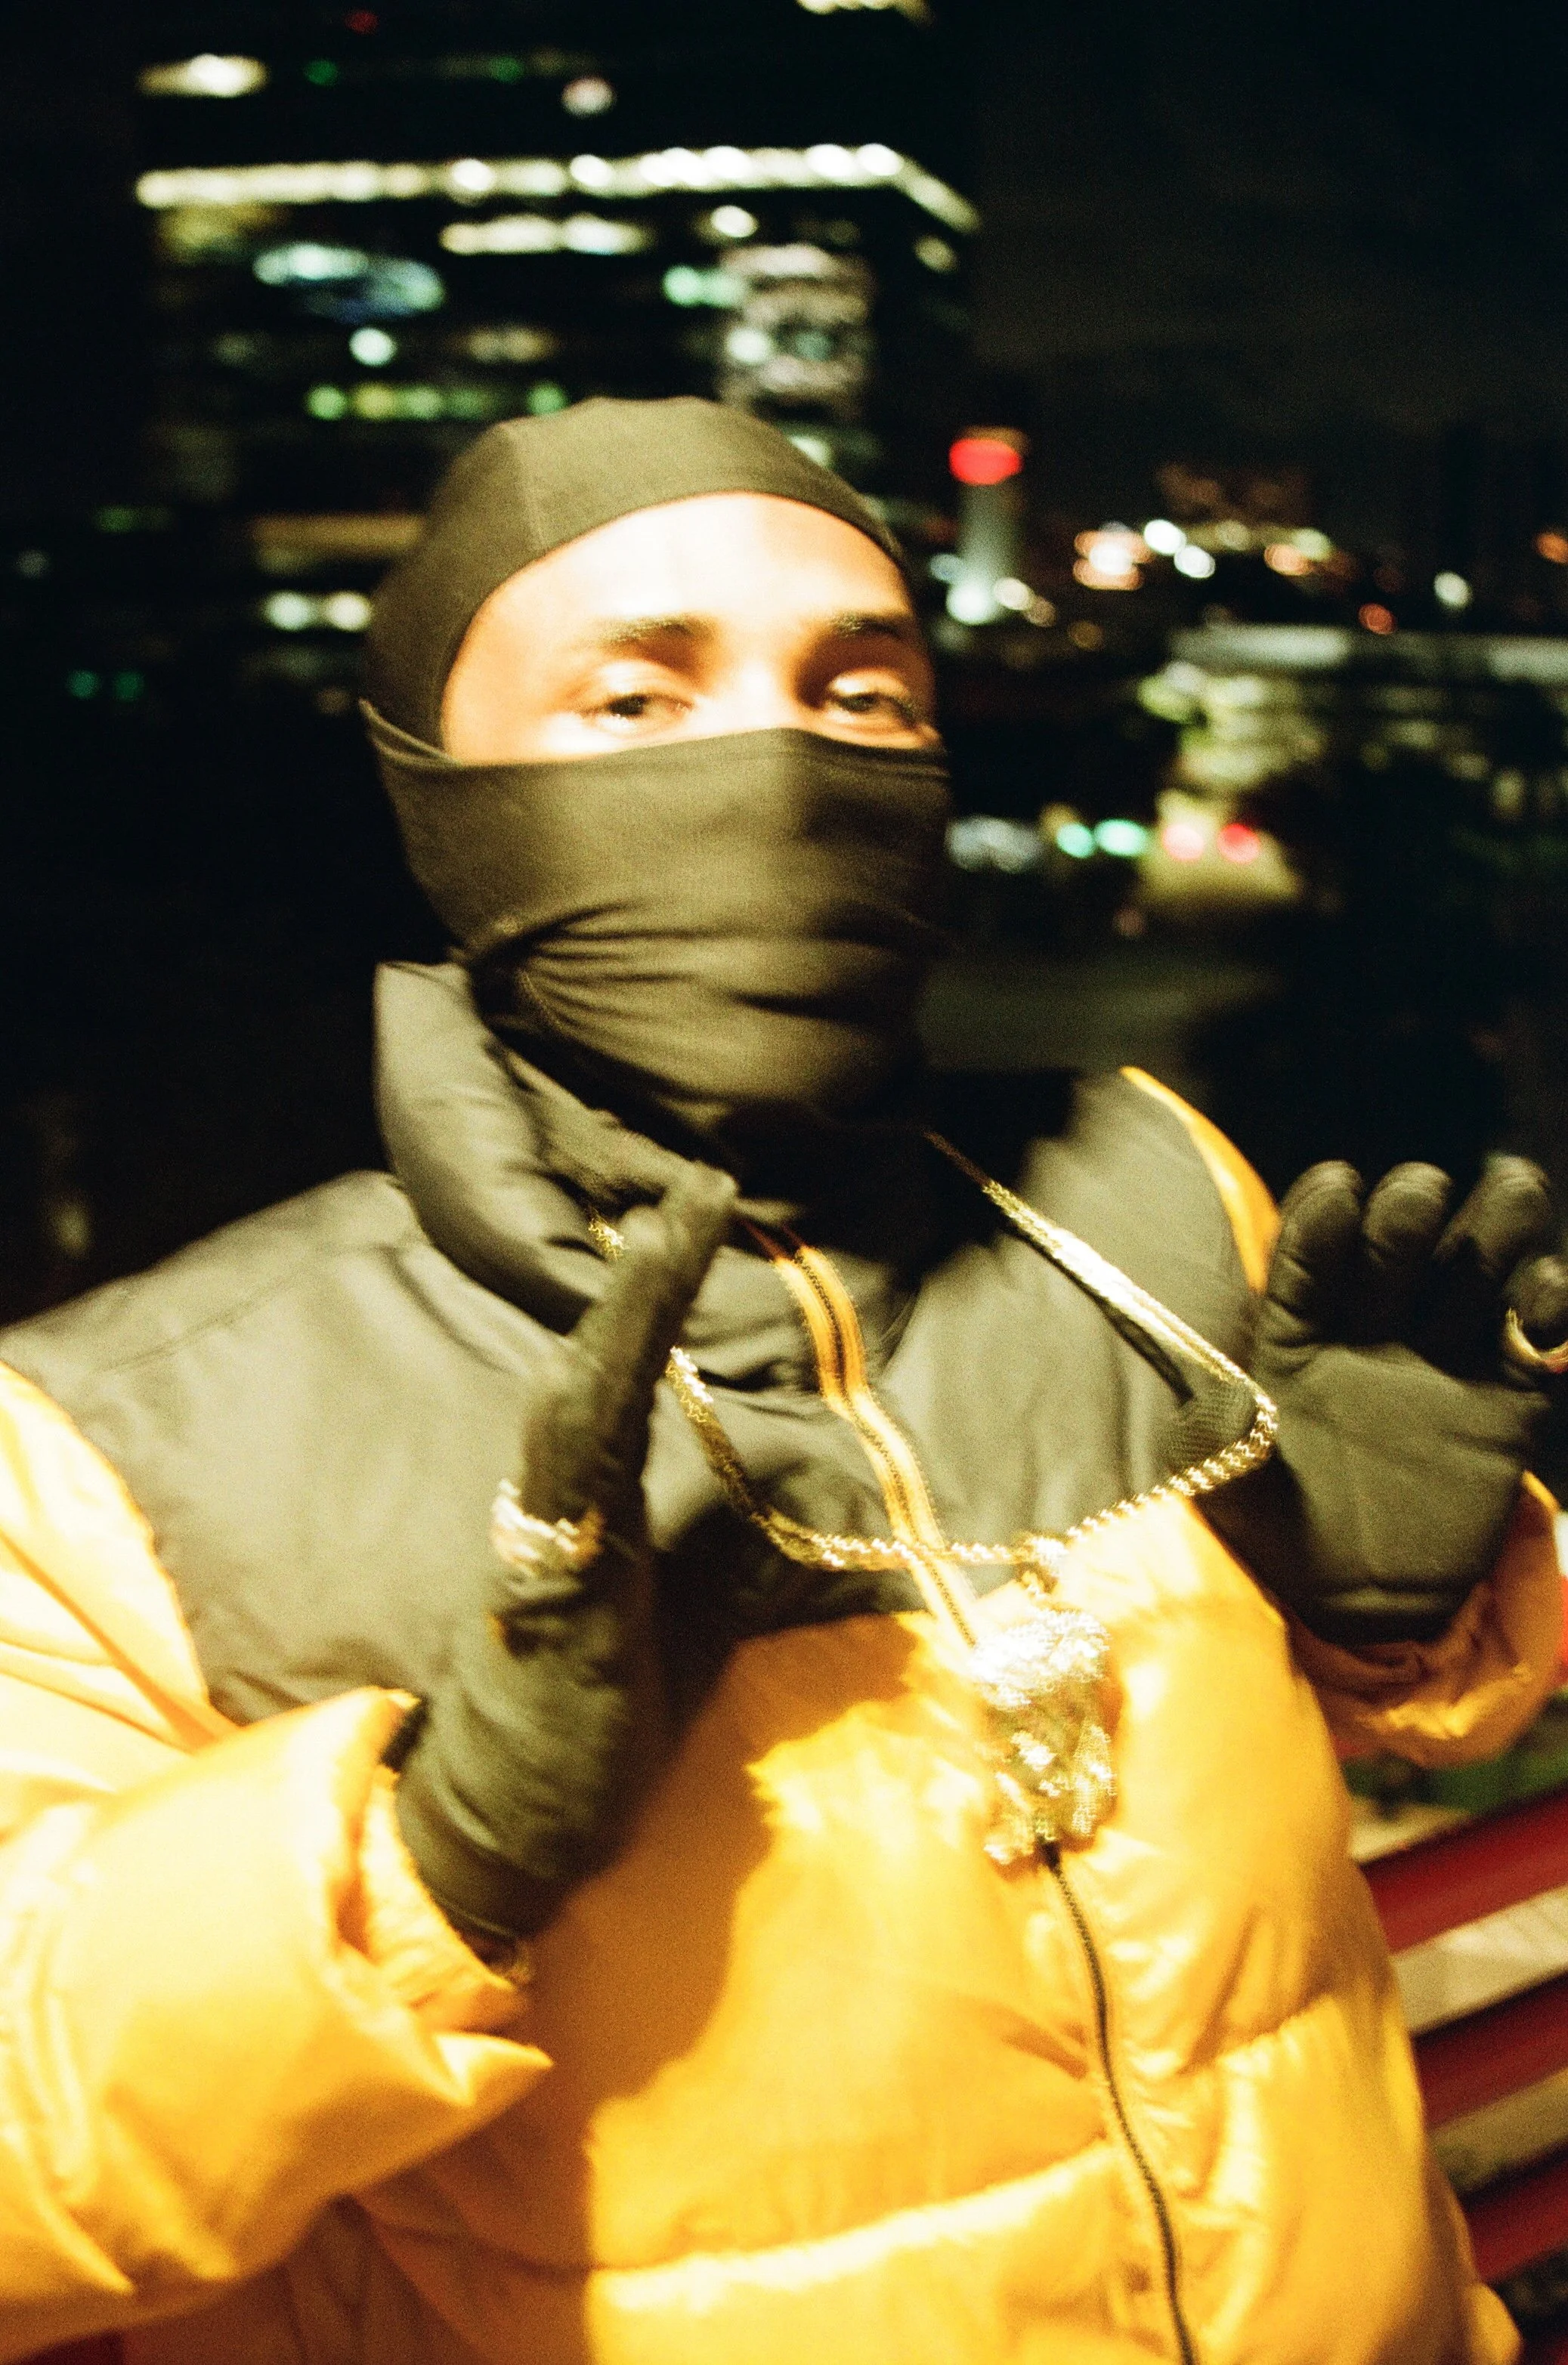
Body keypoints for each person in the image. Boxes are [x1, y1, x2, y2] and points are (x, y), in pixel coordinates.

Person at [1, 398, 1565, 2365]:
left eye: (867, 693)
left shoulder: (1154, 1205)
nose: (782, 767)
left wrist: (1388, 1608)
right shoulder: (122, 1443)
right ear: (442, 795)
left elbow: (1283, 1823)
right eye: (635, 702)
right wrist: (428, 1859)